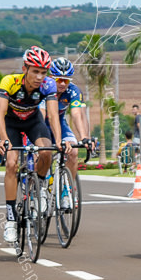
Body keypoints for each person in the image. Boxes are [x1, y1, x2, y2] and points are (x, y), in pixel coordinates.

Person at [0, 47, 68, 243]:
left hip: (33, 121)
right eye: (35, 71)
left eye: (43, 72)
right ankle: (10, 220)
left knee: (46, 152)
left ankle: (41, 188)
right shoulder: (9, 82)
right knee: (11, 163)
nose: (39, 77)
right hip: (11, 125)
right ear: (24, 68)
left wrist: (59, 141)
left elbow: (52, 115)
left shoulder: (48, 85)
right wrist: (3, 139)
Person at [48, 57, 90, 207]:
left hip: (60, 122)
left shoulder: (73, 90)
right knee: (41, 152)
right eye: (59, 80)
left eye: (66, 81)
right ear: (51, 77)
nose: (62, 84)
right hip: (41, 123)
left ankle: (67, 190)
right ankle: (39, 188)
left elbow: (77, 114)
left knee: (73, 152)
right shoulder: (44, 87)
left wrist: (84, 137)